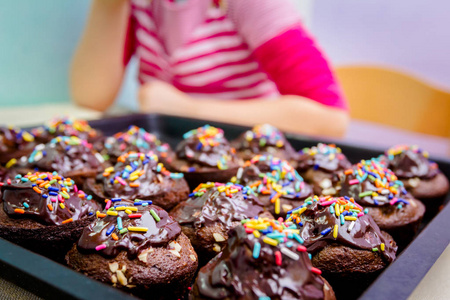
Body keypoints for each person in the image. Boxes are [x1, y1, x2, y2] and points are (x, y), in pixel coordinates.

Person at [71, 0, 349, 137]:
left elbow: (331, 120)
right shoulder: (140, 5)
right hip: (165, 156)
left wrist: (185, 109)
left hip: (245, 158)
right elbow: (90, 96)